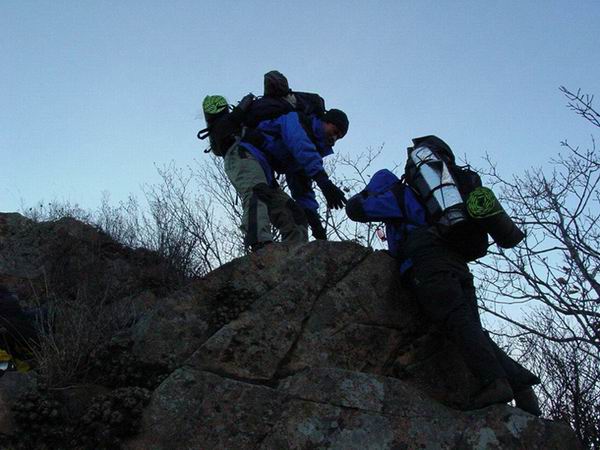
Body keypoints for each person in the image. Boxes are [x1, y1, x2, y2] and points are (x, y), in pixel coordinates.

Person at [345, 136, 542, 415]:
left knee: (455, 321)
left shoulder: (400, 193)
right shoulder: (447, 198)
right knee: (467, 325)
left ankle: (495, 382)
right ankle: (522, 386)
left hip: (428, 260)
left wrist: (372, 188)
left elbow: (357, 211)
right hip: (457, 261)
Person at [222, 72, 349, 251]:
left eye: (339, 137)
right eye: (335, 131)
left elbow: (302, 189)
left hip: (265, 172)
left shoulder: (307, 154)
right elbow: (300, 145)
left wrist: (317, 226)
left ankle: (296, 256)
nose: (334, 138)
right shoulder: (296, 120)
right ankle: (260, 248)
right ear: (324, 121)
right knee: (258, 192)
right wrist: (324, 182)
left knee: (296, 215)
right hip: (243, 154)